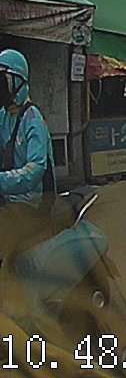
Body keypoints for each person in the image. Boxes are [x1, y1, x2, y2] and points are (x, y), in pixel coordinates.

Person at [0, 49, 57, 269]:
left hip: (31, 202)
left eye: (3, 81)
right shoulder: (4, 115)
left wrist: (2, 181)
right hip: (9, 198)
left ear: (18, 82)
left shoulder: (33, 120)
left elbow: (35, 170)